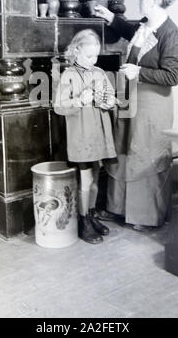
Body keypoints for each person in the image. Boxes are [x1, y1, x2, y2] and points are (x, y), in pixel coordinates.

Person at [94, 0, 178, 231]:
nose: (139, 1)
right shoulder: (146, 25)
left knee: (146, 153)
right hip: (131, 98)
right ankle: (118, 209)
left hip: (153, 104)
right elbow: (128, 29)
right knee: (124, 148)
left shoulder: (173, 36)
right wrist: (110, 16)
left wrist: (139, 72)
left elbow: (172, 76)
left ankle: (145, 217)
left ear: (155, 1)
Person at [54, 29, 117, 244]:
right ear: (76, 51)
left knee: (96, 179)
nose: (93, 60)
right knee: (86, 181)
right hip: (82, 136)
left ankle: (91, 215)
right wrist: (81, 99)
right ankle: (82, 222)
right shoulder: (68, 74)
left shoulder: (99, 72)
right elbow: (59, 107)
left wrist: (106, 101)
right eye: (89, 56)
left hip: (99, 136)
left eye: (96, 56)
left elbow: (112, 100)